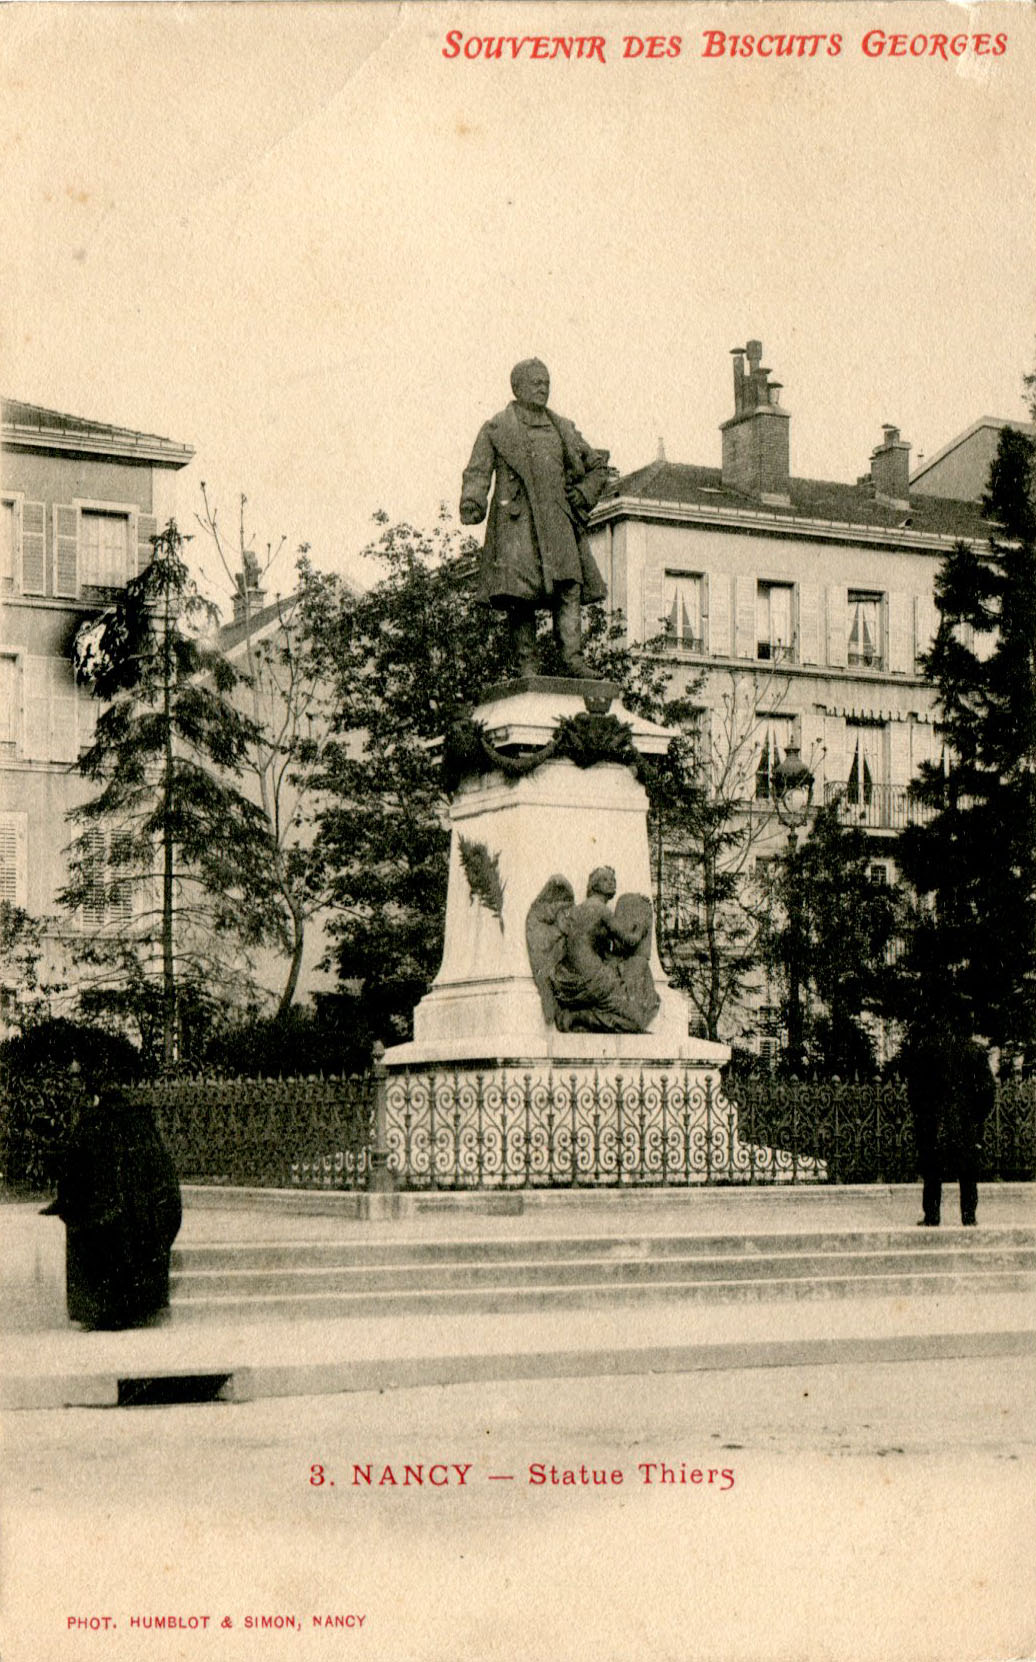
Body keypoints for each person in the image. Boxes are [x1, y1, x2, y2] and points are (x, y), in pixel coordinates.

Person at [460, 358, 612, 677]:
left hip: (559, 519)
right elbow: (477, 469)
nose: (543, 388)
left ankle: (573, 658)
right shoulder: (496, 428)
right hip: (518, 523)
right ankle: (527, 663)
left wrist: (584, 493)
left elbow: (598, 466)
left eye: (546, 382)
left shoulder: (563, 428)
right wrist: (473, 500)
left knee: (569, 585)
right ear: (517, 388)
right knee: (520, 594)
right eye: (536, 382)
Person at [42, 1086, 182, 1329]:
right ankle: (138, 1309)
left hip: (99, 1226)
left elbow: (71, 1178)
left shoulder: (88, 1127)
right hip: (137, 1222)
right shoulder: (143, 1128)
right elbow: (165, 1183)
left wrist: (69, 1206)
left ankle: (100, 1313)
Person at [900, 1016, 995, 1227]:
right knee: (968, 1171)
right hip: (966, 1122)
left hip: (933, 1122)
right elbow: (988, 1091)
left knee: (932, 1170)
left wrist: (922, 1117)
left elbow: (915, 1091)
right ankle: (969, 1216)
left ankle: (932, 1215)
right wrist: (977, 1117)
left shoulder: (927, 1049)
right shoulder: (975, 1052)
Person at [551, 867, 659, 1034]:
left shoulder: (577, 910)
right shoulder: (600, 909)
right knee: (636, 1018)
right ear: (594, 885)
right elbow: (631, 940)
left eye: (613, 880)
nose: (612, 883)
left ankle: (578, 1016)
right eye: (606, 880)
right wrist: (644, 921)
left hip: (571, 977)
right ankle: (577, 1017)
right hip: (595, 979)